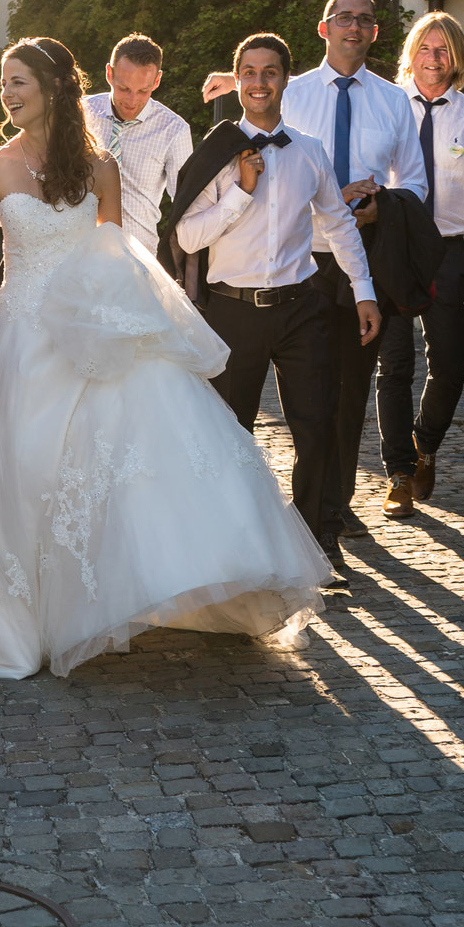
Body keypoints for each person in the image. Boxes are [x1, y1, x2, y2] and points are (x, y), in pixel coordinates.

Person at [0, 36, 328, 680]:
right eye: (5, 84)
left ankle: (121, 591)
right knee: (16, 469)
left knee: (127, 463)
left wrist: (133, 327)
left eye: (18, 83)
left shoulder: (100, 171)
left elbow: (114, 256)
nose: (5, 95)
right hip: (19, 334)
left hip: (94, 328)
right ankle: (16, 619)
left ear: (55, 89)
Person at [167, 33, 378, 584]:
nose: (260, 82)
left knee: (317, 427)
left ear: (285, 78)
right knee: (230, 432)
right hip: (232, 311)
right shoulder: (217, 152)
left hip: (301, 307)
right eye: (250, 72)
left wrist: (364, 292)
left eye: (271, 72)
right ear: (236, 80)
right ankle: (230, 549)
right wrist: (240, 191)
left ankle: (318, 543)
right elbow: (187, 237)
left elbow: (336, 223)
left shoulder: (309, 150)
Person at [277, 0, 427, 544]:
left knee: (351, 387)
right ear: (324, 28)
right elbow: (270, 180)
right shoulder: (290, 96)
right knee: (305, 390)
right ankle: (311, 499)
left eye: (366, 20)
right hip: (301, 259)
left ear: (374, 33)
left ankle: (334, 505)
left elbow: (414, 183)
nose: (355, 27)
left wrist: (377, 206)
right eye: (345, 18)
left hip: (362, 262)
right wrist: (326, 200)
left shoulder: (393, 101)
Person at [377, 11, 464, 519]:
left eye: (444, 50)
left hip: (450, 251)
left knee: (450, 364)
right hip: (391, 248)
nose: (434, 59)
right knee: (394, 364)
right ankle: (400, 473)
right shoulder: (386, 107)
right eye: (425, 49)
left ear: (458, 59)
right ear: (411, 54)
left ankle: (425, 444)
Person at [83, 33, 194, 254]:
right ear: (109, 74)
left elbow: (187, 208)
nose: (132, 101)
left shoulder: (174, 130)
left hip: (138, 258)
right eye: (124, 89)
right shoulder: (81, 113)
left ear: (157, 80)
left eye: (143, 91)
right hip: (78, 253)